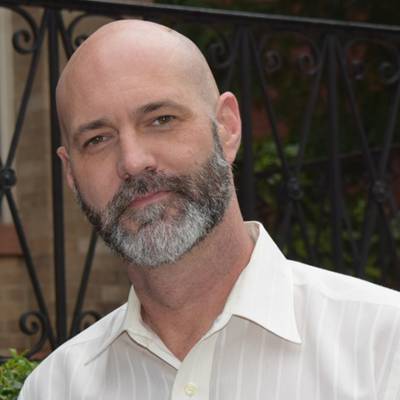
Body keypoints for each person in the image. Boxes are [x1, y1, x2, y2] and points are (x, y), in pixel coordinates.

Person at [19, 20, 400, 400]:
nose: (133, 161)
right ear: (71, 173)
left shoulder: (381, 347)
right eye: (98, 139)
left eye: (161, 119)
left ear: (226, 127)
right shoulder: (56, 387)